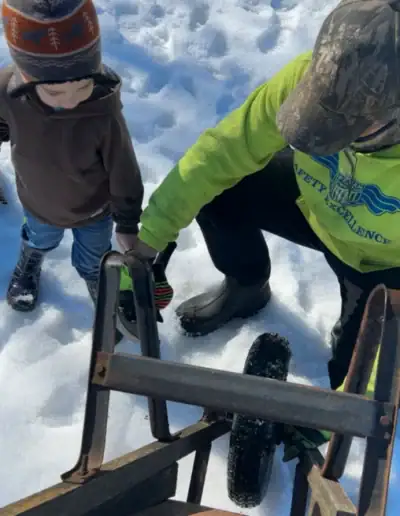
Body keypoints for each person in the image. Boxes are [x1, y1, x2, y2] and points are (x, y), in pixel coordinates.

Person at [128, 0, 400, 457]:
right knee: (224, 187)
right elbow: (221, 153)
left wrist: (349, 410)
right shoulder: (308, 76)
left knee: (356, 375)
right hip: (315, 206)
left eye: (343, 126)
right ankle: (247, 284)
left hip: (383, 267)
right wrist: (149, 236)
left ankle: (332, 409)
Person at [0, 0, 147, 319]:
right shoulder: (7, 92)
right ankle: (31, 261)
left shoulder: (103, 112)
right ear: (24, 74)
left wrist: (127, 221)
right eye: (54, 92)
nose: (70, 100)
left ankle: (97, 281)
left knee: (93, 257)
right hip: (38, 203)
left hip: (93, 210)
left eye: (83, 84)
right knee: (38, 238)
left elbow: (123, 170)